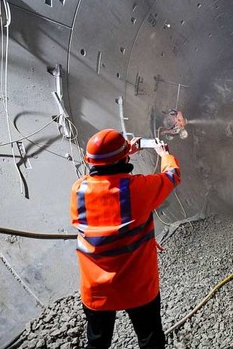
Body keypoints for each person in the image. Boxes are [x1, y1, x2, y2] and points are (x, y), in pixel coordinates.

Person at [70, 129, 181, 349]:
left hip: (96, 290)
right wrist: (164, 155)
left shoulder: (78, 190)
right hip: (137, 287)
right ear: (123, 158)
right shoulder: (137, 189)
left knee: (97, 343)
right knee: (150, 340)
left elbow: (105, 170)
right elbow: (172, 175)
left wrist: (125, 150)